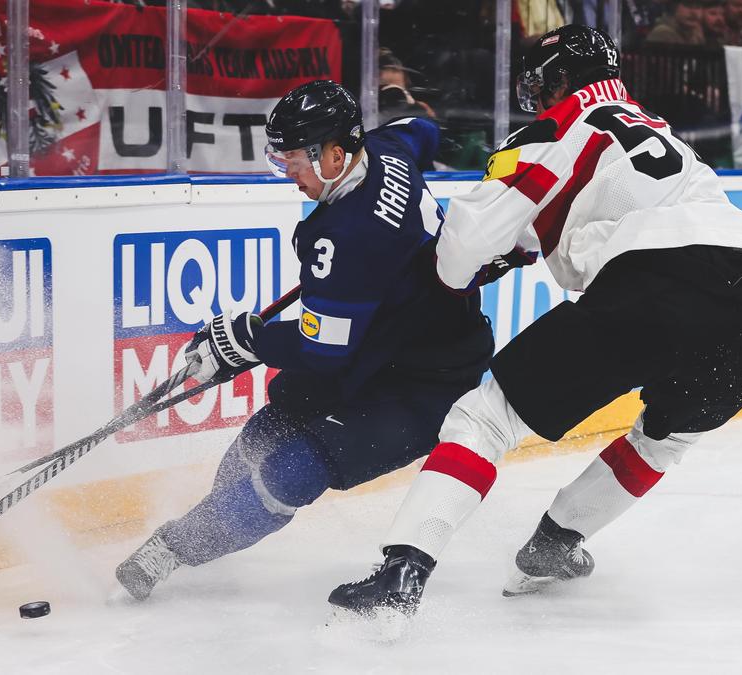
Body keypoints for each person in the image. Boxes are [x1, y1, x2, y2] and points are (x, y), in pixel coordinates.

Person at [328, 24, 742, 616]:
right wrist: (515, 247)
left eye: (541, 82)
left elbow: (462, 250)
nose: (537, 95)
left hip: (655, 283)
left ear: (560, 78)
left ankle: (400, 576)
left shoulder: (555, 127)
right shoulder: (658, 129)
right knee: (669, 435)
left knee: (486, 417)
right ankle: (554, 545)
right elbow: (581, 214)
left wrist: (454, 275)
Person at [115, 80, 495, 601]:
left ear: (336, 154)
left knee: (289, 473)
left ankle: (174, 547)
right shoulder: (389, 147)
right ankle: (209, 526)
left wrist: (249, 340)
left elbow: (323, 348)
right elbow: (422, 128)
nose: (287, 174)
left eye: (293, 160)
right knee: (263, 438)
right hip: (375, 346)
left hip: (426, 382)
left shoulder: (344, 236)